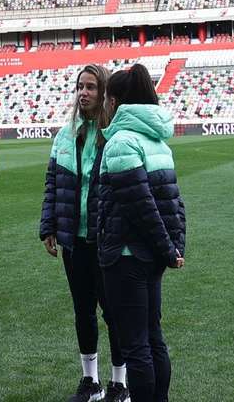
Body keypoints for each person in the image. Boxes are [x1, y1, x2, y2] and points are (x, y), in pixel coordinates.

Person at [98, 64, 186, 402]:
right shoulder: (158, 141)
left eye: (107, 99)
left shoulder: (122, 141)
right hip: (151, 255)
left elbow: (140, 205)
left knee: (136, 344)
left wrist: (167, 248)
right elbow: (174, 202)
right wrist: (173, 247)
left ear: (116, 102)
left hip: (127, 255)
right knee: (153, 337)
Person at [41, 65, 129, 402]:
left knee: (113, 313)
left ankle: (119, 383)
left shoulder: (114, 134)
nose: (84, 93)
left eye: (91, 87)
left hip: (105, 240)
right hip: (73, 240)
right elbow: (53, 184)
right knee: (83, 311)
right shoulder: (65, 135)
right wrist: (48, 225)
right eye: (80, 86)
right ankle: (90, 381)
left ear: (104, 92)